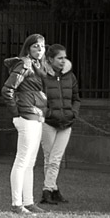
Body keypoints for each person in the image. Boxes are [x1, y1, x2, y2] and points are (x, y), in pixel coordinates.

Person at [1, 34, 49, 215]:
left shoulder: (38, 66)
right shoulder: (24, 64)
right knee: (22, 161)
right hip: (27, 116)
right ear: (28, 48)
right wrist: (16, 112)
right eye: (36, 46)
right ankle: (16, 204)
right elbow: (7, 90)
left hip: (37, 116)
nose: (39, 49)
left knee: (30, 163)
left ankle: (28, 202)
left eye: (42, 47)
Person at [39, 43, 80, 205]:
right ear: (50, 59)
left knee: (55, 159)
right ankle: (52, 190)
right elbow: (39, 98)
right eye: (59, 58)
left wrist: (73, 113)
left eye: (64, 58)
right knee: (49, 158)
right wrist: (47, 113)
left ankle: (47, 190)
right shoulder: (43, 76)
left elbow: (76, 98)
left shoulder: (70, 76)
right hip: (48, 123)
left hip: (66, 122)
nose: (63, 61)